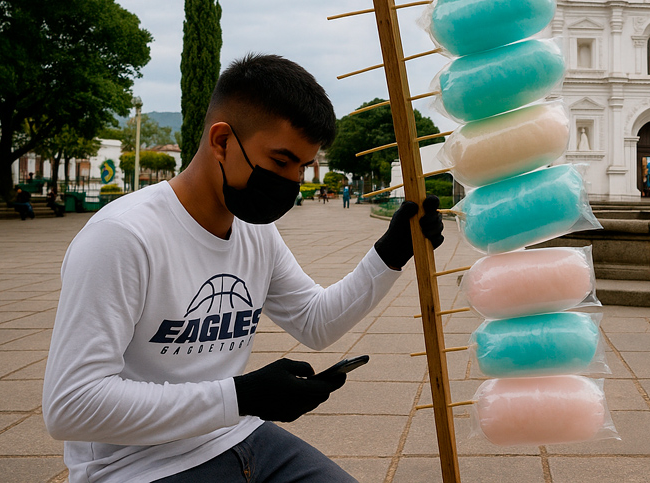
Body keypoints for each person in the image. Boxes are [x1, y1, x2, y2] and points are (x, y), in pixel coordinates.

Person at [43, 54, 444, 483]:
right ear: (221, 141)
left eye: (304, 166)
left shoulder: (256, 233)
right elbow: (71, 405)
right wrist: (240, 395)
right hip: (137, 466)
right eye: (281, 161)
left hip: (240, 435)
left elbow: (316, 322)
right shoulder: (122, 237)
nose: (292, 182)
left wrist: (391, 253)